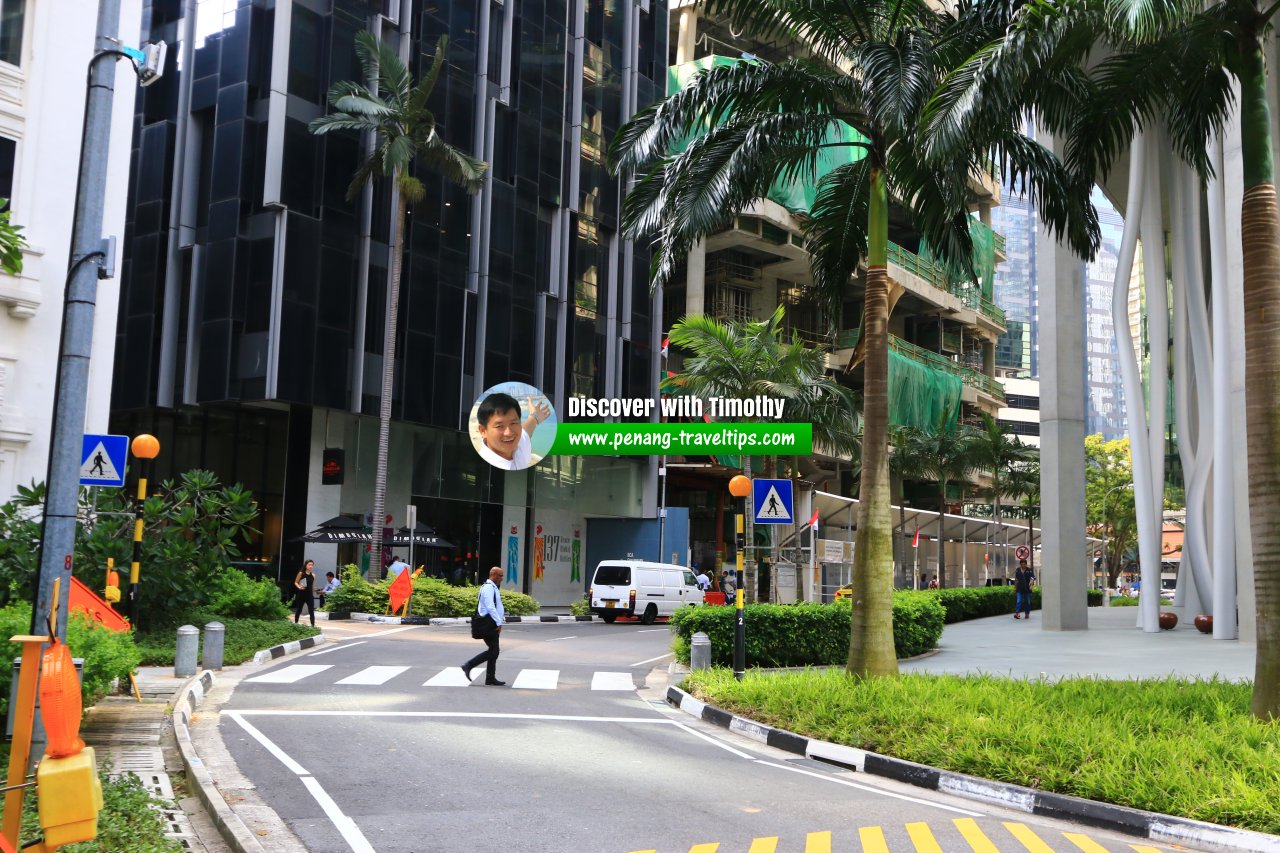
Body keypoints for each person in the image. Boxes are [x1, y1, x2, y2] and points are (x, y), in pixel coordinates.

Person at [474, 392, 550, 470]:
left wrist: (534, 416)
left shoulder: (519, 446)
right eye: (499, 426)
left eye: (513, 423)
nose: (509, 433)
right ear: (483, 431)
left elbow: (526, 431)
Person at [462, 567, 507, 686]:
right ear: (494, 575)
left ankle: (490, 678)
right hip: (489, 624)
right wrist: (498, 622)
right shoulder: (488, 587)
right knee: (494, 651)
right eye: (500, 576)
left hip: (491, 623)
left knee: (494, 651)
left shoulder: (492, 587)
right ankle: (469, 665)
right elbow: (490, 606)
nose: (502, 579)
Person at [292, 560, 317, 626]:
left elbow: (313, 586)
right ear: (306, 565)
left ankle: (313, 626)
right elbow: (295, 582)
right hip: (301, 594)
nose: (311, 566)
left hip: (309, 595)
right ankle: (296, 623)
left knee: (311, 611)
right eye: (309, 564)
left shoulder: (313, 575)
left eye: (312, 565)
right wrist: (299, 587)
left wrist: (315, 591)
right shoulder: (301, 573)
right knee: (299, 610)